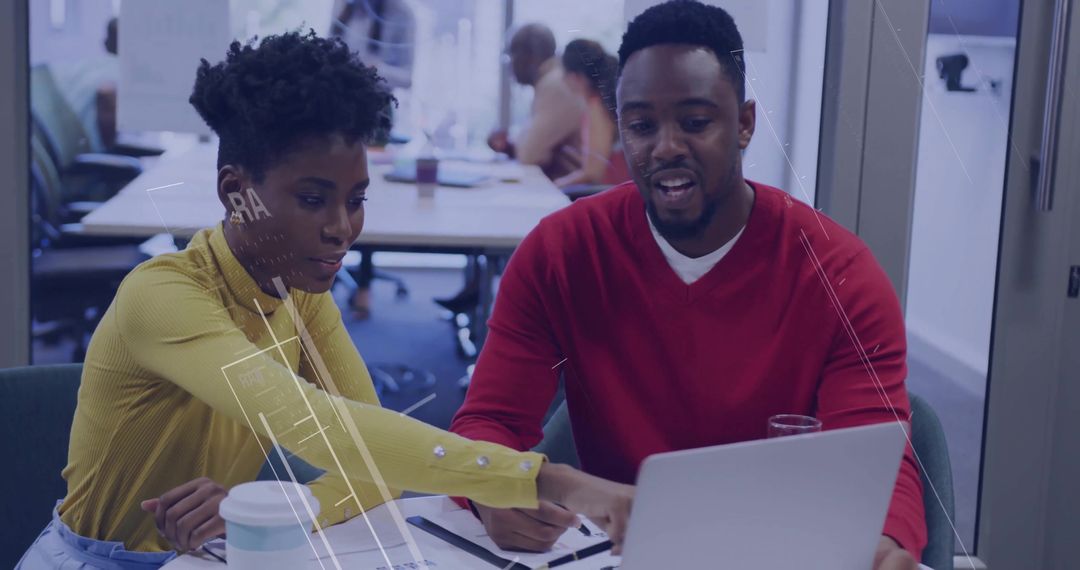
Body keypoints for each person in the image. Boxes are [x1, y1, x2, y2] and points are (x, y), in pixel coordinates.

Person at [17, 31, 632, 569]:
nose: (342, 227)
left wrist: (262, 510)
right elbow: (324, 431)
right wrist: (544, 478)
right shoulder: (163, 295)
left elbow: (374, 459)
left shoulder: (297, 295)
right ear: (237, 192)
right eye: (313, 199)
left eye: (355, 199)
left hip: (215, 556)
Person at [450, 2, 925, 569]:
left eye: (696, 122)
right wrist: (489, 493)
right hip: (616, 554)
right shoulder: (561, 254)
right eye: (642, 125)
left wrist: (886, 542)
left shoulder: (839, 273)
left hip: (781, 554)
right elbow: (488, 425)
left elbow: (877, 463)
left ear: (745, 123)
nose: (666, 146)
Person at [331, 0, 416, 318]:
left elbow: (407, 76)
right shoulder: (345, 8)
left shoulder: (401, 15)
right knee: (333, 192)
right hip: (335, 112)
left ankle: (364, 284)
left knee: (366, 194)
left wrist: (371, 67)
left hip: (376, 112)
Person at [487, 23, 585, 180]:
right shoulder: (553, 80)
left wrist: (517, 149)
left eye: (512, 55)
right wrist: (509, 148)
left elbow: (529, 156)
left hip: (569, 192)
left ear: (530, 56)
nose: (510, 64)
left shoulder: (555, 85)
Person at [553, 39, 630, 191]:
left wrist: (554, 186)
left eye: (564, 73)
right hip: (617, 190)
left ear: (576, 77)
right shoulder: (606, 102)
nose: (562, 80)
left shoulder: (596, 107)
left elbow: (592, 173)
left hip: (610, 194)